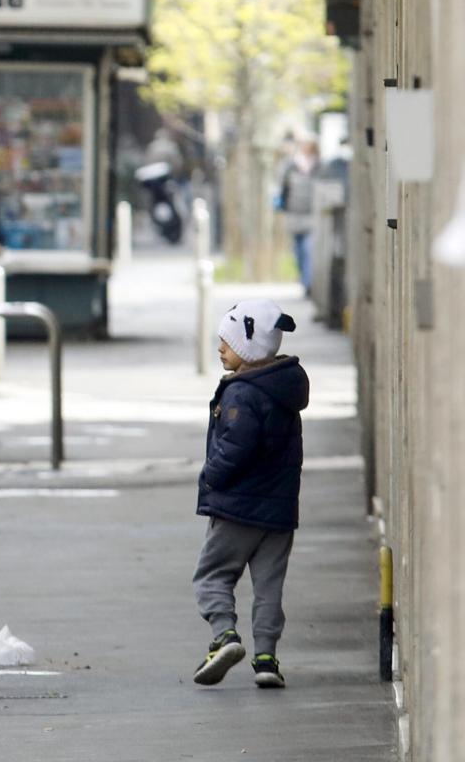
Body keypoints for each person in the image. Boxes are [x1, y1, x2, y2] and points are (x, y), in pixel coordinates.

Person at [192, 299, 309, 689]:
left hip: (237, 509)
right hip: (277, 513)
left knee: (212, 575)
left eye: (226, 342)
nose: (221, 349)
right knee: (269, 586)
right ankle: (266, 659)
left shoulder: (243, 394)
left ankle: (224, 636)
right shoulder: (283, 390)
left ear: (248, 347)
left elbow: (234, 449)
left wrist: (210, 478)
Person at [277, 139, 320, 294]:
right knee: (298, 250)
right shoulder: (291, 166)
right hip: (294, 214)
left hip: (311, 215)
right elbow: (282, 186)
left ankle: (308, 282)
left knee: (308, 248)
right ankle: (304, 278)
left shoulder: (319, 166)